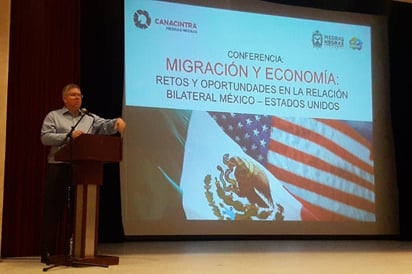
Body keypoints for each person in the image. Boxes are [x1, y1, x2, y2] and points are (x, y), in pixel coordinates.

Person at [40, 83, 126, 263]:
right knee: (53, 210)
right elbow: (45, 137)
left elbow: (105, 126)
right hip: (59, 166)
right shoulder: (54, 116)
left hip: (83, 169)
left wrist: (116, 122)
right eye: (73, 95)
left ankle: (79, 250)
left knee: (79, 209)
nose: (77, 98)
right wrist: (69, 136)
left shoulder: (89, 118)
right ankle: (47, 251)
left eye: (79, 95)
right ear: (64, 99)